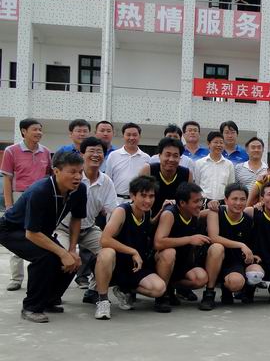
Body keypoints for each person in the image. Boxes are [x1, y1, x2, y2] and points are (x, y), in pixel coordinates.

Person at [0, 151, 86, 323]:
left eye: (80, 171)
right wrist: (63, 253)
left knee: (74, 261)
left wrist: (71, 250)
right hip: (11, 230)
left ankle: (48, 300)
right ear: (56, 171)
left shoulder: (79, 190)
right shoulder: (40, 191)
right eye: (72, 172)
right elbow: (31, 233)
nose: (78, 176)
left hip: (39, 232)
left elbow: (76, 219)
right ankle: (31, 307)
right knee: (45, 257)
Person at [93, 176, 168, 319]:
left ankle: (124, 289)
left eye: (151, 196)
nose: (148, 200)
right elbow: (105, 239)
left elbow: (148, 225)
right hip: (116, 263)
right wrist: (132, 251)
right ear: (132, 195)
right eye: (143, 195)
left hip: (133, 265)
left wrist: (162, 210)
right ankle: (102, 300)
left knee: (159, 288)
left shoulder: (147, 212)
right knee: (107, 253)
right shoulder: (122, 211)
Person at [56, 137, 118, 305]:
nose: (96, 155)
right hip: (63, 228)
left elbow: (112, 211)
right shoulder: (72, 177)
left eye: (100, 152)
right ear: (82, 154)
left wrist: (110, 234)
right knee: (60, 256)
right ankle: (53, 292)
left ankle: (94, 290)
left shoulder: (106, 181)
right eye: (91, 151)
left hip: (89, 228)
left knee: (110, 252)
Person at [1, 118, 51, 291]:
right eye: (35, 129)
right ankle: (16, 278)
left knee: (39, 234)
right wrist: (9, 205)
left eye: (40, 129)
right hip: (20, 196)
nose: (39, 132)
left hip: (41, 198)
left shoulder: (46, 152)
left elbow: (49, 177)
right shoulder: (11, 151)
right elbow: (7, 179)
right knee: (17, 235)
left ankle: (38, 275)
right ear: (24, 131)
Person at [153, 182, 212, 312]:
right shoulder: (169, 214)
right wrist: (190, 239)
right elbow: (158, 243)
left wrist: (216, 206)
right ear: (182, 203)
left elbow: (208, 212)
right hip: (161, 261)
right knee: (169, 253)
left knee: (201, 278)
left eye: (201, 200)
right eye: (196, 201)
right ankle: (162, 296)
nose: (200, 204)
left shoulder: (193, 213)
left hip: (181, 263)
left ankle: (172, 286)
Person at [202, 183, 254, 308]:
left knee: (236, 283)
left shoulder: (248, 220)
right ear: (226, 200)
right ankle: (209, 293)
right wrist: (241, 245)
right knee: (217, 247)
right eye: (234, 199)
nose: (238, 203)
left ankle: (226, 288)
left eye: (242, 199)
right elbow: (214, 237)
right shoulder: (216, 212)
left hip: (234, 262)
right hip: (212, 259)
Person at [140, 137, 193, 220]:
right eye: (167, 155)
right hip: (148, 219)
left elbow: (188, 202)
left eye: (175, 156)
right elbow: (140, 199)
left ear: (180, 158)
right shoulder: (148, 170)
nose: (171, 159)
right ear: (159, 155)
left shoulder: (187, 174)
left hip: (175, 219)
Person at [105, 122, 150, 202]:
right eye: (128, 135)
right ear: (123, 136)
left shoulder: (146, 158)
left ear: (139, 136)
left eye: (134, 135)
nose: (131, 138)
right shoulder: (113, 155)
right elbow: (107, 180)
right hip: (116, 200)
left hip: (137, 201)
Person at [194, 132, 235, 203]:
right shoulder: (199, 163)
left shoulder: (229, 164)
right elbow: (197, 184)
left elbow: (231, 186)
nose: (219, 145)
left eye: (221, 143)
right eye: (216, 142)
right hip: (203, 201)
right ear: (208, 144)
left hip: (222, 202)